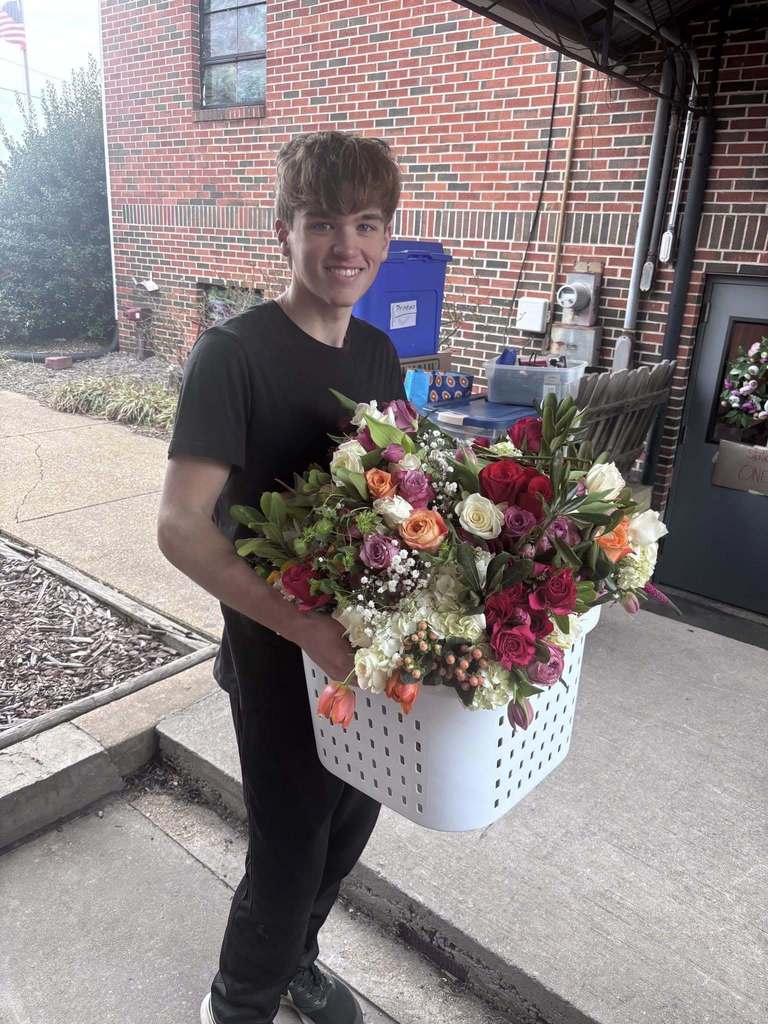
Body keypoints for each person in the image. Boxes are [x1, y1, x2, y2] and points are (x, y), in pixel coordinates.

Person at [157, 131, 406, 1024]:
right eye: (323, 223)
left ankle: (297, 961)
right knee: (289, 849)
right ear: (282, 233)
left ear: (387, 236)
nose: (347, 246)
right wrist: (306, 627)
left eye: (367, 224)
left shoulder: (377, 355)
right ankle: (241, 999)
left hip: (365, 655)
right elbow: (181, 528)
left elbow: (393, 488)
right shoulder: (235, 355)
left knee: (348, 831)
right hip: (276, 657)